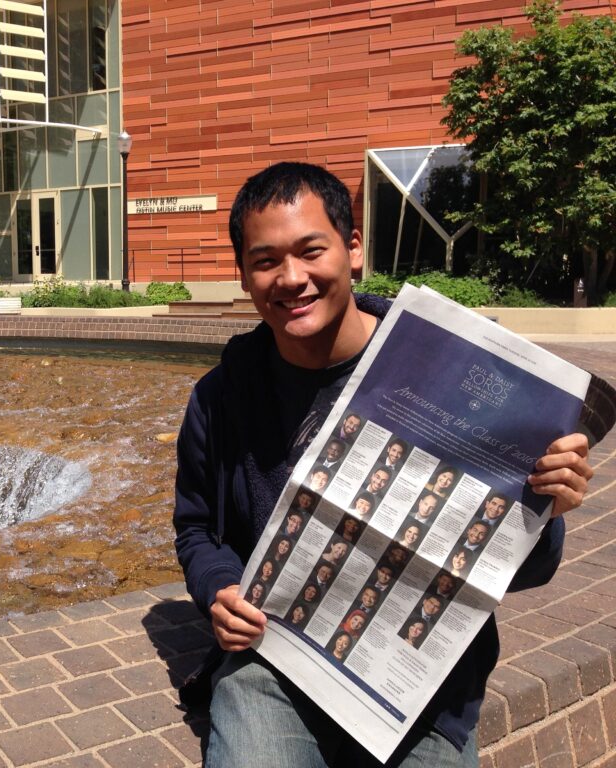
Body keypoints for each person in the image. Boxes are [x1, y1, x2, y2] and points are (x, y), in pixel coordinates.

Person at [172, 161, 592, 766]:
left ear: (353, 248)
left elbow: (528, 571)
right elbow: (195, 528)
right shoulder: (221, 397)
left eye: (311, 251)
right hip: (276, 660)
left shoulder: (445, 376)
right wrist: (218, 589)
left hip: (416, 689)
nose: (291, 279)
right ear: (243, 273)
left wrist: (545, 508)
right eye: (266, 261)